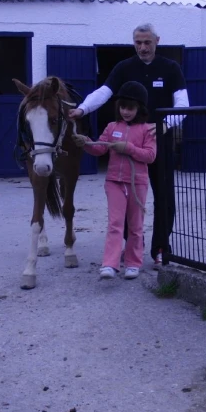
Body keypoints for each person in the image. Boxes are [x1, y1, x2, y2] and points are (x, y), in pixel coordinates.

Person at [68, 23, 188, 268]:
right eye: (138, 42)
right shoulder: (124, 68)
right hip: (125, 147)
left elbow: (183, 104)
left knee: (164, 197)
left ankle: (160, 248)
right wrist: (82, 109)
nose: (142, 47)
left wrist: (166, 124)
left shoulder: (171, 68)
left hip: (157, 145)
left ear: (157, 41)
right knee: (126, 197)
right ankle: (133, 247)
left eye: (147, 42)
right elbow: (103, 92)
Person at [72, 81, 156, 280]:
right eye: (123, 107)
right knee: (115, 223)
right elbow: (100, 149)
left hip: (138, 184)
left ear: (140, 108)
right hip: (114, 182)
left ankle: (133, 263)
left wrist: (128, 148)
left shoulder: (147, 130)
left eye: (131, 108)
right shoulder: (111, 127)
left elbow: (150, 156)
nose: (126, 112)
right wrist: (86, 143)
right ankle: (109, 264)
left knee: (135, 225)